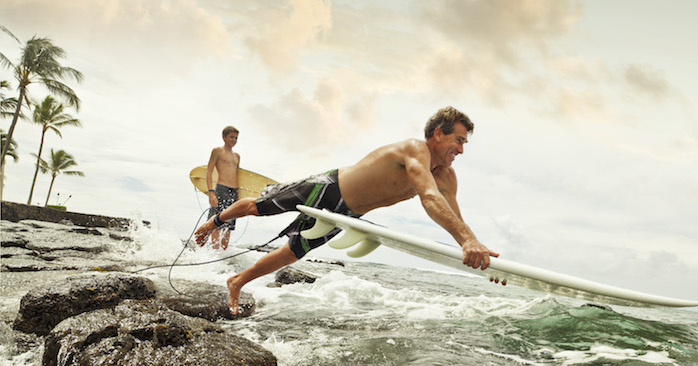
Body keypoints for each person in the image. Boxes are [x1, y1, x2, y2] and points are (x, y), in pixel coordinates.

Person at [194, 107, 499, 315]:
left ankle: (237, 282)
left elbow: (456, 218)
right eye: (458, 140)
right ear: (437, 134)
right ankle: (214, 222)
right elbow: (429, 199)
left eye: (464, 143)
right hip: (330, 186)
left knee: (292, 253)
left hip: (347, 214)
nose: (461, 149)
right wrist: (467, 241)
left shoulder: (446, 176)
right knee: (258, 208)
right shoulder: (414, 150)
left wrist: (475, 250)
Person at [202, 125, 241, 250]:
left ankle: (222, 253)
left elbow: (238, 175)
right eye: (231, 137)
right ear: (224, 137)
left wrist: (239, 197)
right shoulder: (217, 151)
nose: (234, 140)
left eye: (236, 138)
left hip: (233, 192)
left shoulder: (237, 156)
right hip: (221, 189)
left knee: (229, 223)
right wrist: (210, 192)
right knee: (217, 220)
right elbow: (209, 171)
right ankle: (214, 250)